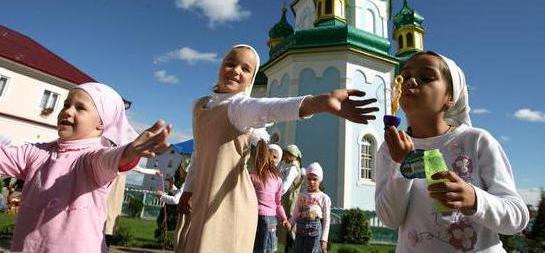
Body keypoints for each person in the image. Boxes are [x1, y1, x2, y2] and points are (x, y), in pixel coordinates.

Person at [177, 44, 378, 253]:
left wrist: (322, 102)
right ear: (220, 66)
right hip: (202, 194)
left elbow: (273, 107)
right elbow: (198, 153)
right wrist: (188, 190)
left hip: (230, 198)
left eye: (245, 69)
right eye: (230, 63)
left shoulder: (239, 107)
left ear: (251, 78)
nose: (236, 70)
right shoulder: (199, 105)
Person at [375, 52, 529, 252]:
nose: (410, 81)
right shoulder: (392, 147)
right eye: (404, 77)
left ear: (450, 97)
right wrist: (401, 164)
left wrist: (474, 199)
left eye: (426, 77)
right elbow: (390, 219)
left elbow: (517, 217)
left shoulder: (475, 141)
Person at [0, 82, 171, 252]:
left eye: (80, 108)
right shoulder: (37, 152)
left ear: (101, 123)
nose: (67, 111)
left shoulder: (90, 159)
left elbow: (107, 159)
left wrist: (130, 151)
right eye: (66, 104)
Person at [251, 138, 289, 253]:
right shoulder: (254, 176)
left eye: (275, 157)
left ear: (278, 161)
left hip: (271, 219)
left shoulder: (278, 180)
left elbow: (278, 203)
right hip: (256, 216)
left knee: (267, 249)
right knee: (258, 247)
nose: (272, 159)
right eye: (269, 155)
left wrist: (284, 218)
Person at [289, 162, 331, 253]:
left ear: (320, 180)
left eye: (315, 179)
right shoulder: (302, 196)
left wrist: (324, 239)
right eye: (309, 179)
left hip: (315, 231)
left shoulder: (324, 198)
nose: (311, 182)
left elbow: (326, 220)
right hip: (300, 230)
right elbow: (295, 214)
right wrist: (290, 223)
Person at [278, 144, 304, 252]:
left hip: (291, 200)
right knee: (286, 226)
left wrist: (276, 194)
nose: (285, 156)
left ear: (294, 156)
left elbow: (286, 185)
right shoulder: (286, 165)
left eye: (288, 154)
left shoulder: (293, 168)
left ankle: (292, 248)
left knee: (290, 225)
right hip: (286, 199)